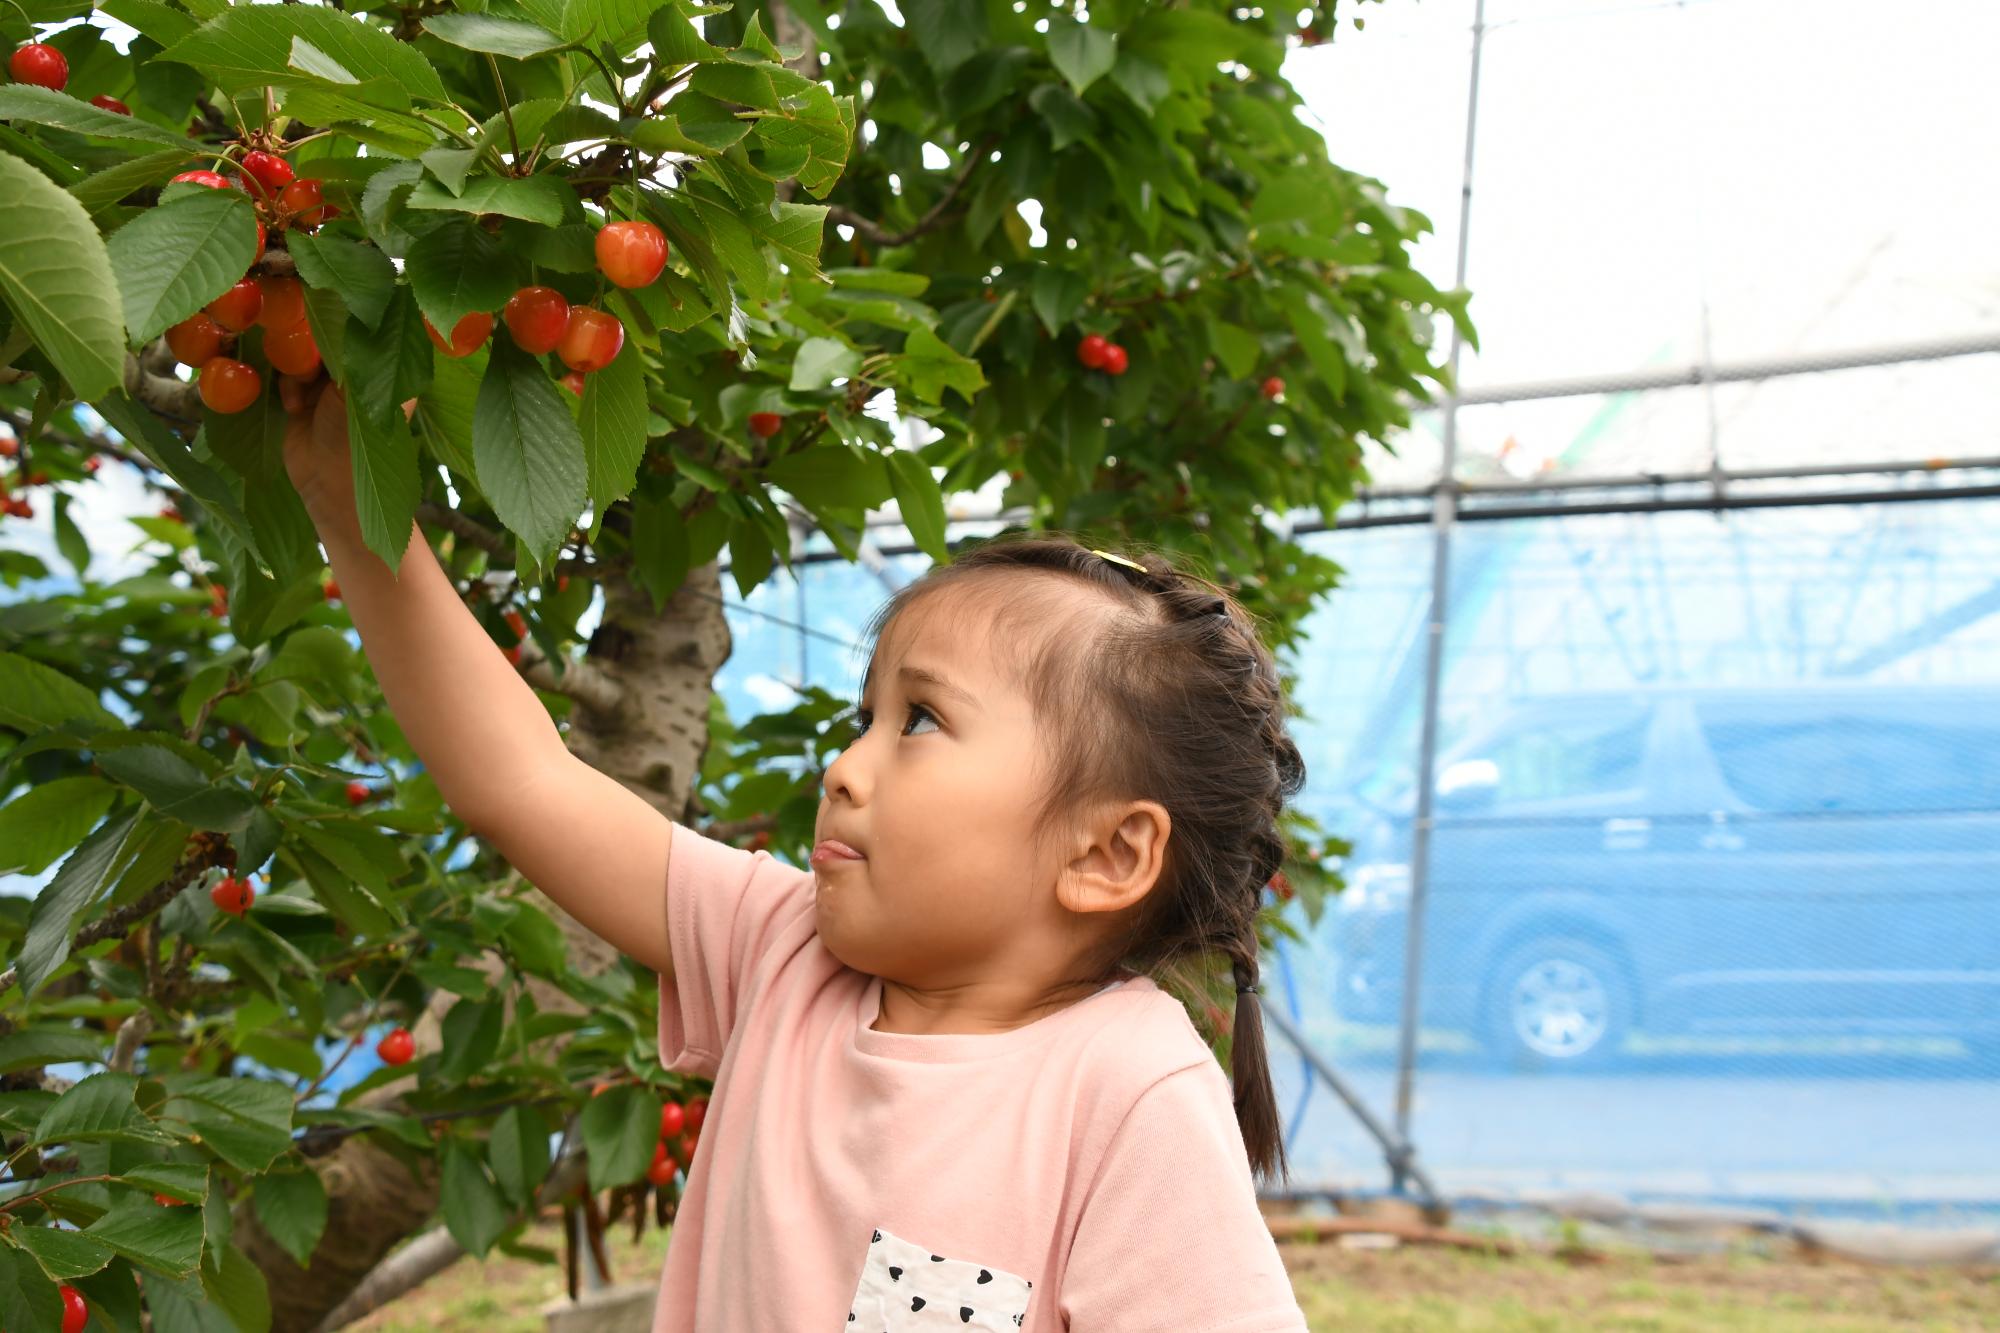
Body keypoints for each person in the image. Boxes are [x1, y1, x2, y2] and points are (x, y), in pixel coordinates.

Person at [282, 380, 1309, 1332]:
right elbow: (521, 782)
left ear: (1105, 854)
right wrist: (353, 508)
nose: (843, 766)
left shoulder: (1126, 1089)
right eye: (866, 715)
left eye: (918, 723)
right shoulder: (783, 955)